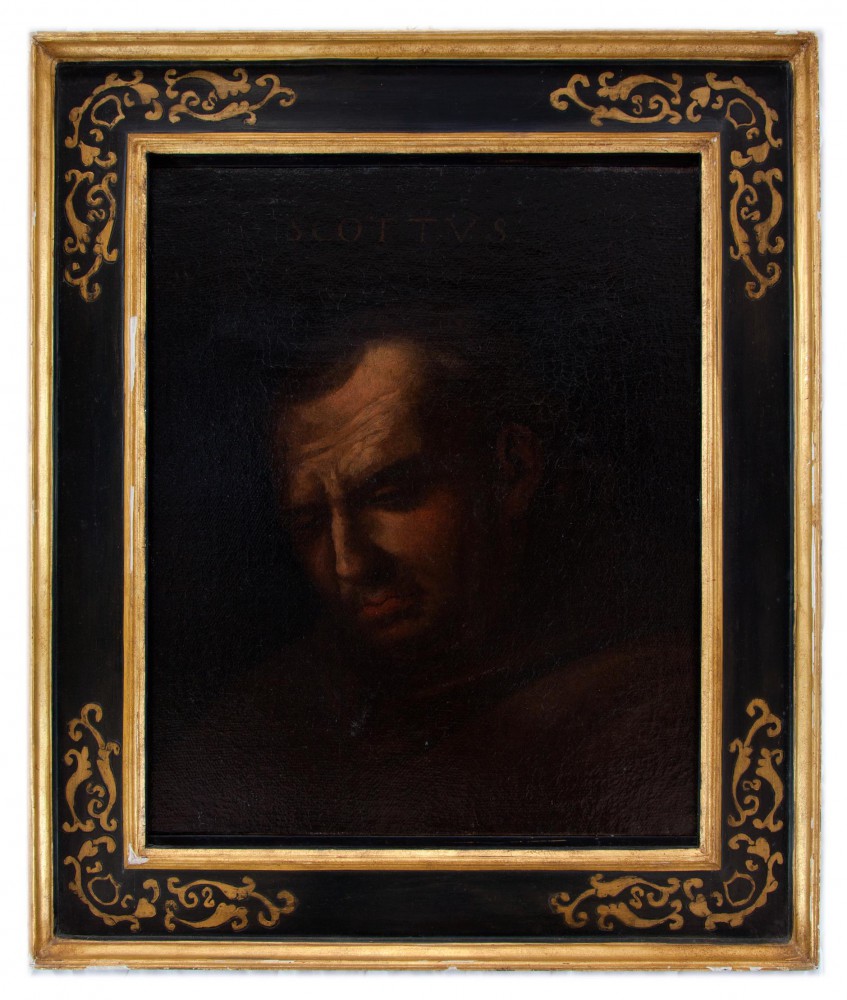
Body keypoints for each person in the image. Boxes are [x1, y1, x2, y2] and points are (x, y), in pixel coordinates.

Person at [156, 309, 699, 841]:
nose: (350, 564)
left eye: (391, 495)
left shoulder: (664, 708)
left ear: (512, 470)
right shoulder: (266, 720)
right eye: (311, 521)